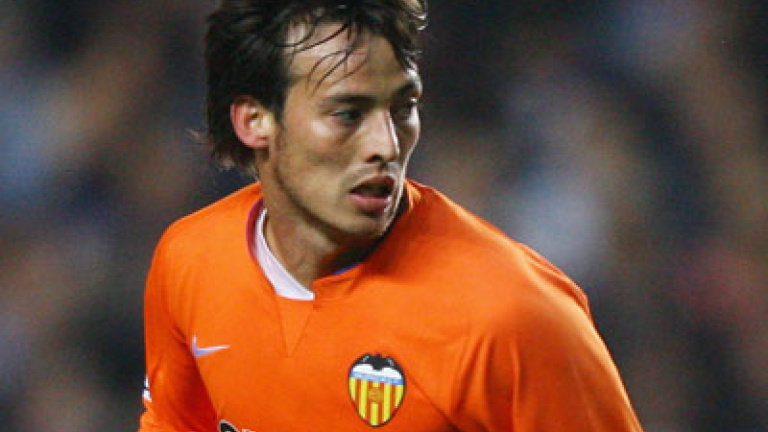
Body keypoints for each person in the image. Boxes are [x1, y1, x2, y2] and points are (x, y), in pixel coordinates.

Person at [138, 0, 645, 431]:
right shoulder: (190, 262)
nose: (386, 144)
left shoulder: (514, 317)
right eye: (347, 113)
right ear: (254, 121)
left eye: (403, 107)